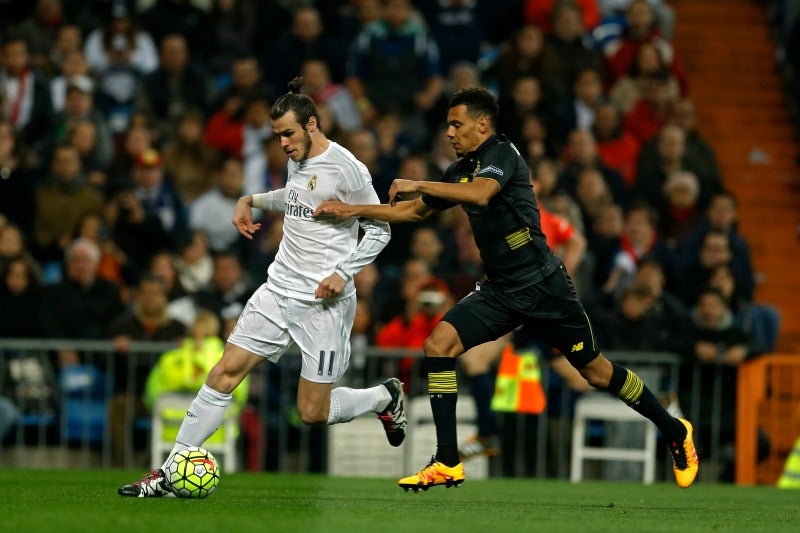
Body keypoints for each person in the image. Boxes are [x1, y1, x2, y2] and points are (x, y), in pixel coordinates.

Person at [315, 87, 698, 491]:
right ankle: (447, 460)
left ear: (483, 124)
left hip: (544, 286)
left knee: (598, 373)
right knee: (438, 346)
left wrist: (418, 182)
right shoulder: (459, 171)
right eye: (447, 124)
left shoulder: (503, 155)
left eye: (456, 124)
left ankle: (675, 431)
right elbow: (412, 210)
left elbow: (480, 193)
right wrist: (351, 210)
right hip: (500, 290)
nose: (449, 132)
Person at [118, 77, 402, 497]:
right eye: (276, 136)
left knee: (311, 412)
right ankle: (168, 469)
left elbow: (381, 229)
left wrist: (343, 272)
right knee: (223, 372)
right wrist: (251, 199)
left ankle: (383, 397)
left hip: (325, 304)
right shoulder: (298, 159)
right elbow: (295, 196)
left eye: (288, 133)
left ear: (311, 124)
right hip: (279, 288)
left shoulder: (348, 168)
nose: (283, 144)